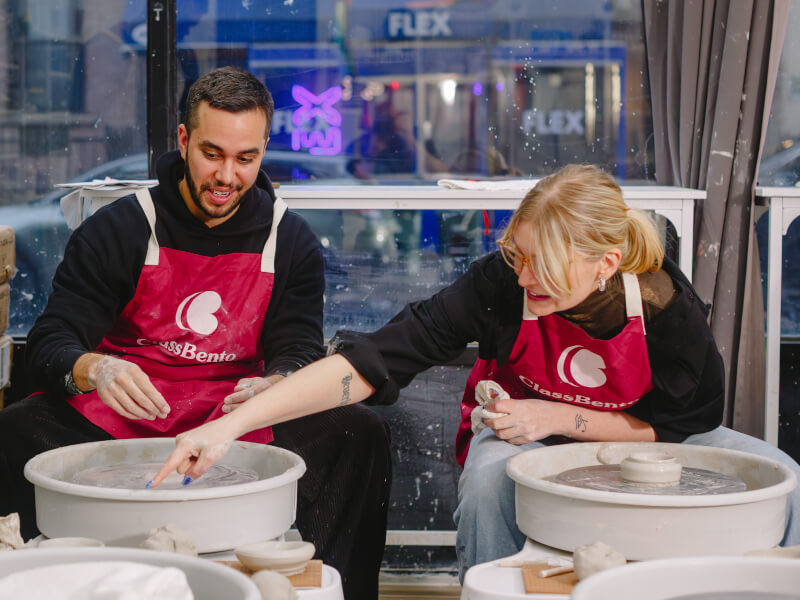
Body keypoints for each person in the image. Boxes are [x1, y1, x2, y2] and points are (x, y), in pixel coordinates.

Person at [152, 163, 800, 580]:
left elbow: (688, 424)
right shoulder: (499, 284)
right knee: (492, 479)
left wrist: (563, 416)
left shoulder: (663, 305)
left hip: (643, 439)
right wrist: (230, 427)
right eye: (517, 255)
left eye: (542, 265)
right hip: (522, 435)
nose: (523, 278)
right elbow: (375, 361)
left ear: (605, 264)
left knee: (785, 478)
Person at [0, 66, 391, 600]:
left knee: (358, 434)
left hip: (232, 417)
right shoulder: (121, 228)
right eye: (213, 154)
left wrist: (280, 380)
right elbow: (51, 340)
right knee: (16, 429)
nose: (227, 176)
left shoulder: (290, 240)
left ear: (263, 151)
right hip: (127, 411)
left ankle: (320, 588)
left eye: (245, 159)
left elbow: (297, 347)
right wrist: (96, 368)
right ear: (184, 140)